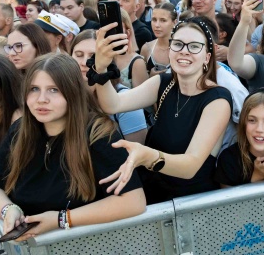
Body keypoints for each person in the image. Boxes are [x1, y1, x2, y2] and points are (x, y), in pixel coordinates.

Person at [0, 54, 146, 240]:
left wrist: (61, 219)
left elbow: (133, 200)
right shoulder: (21, 130)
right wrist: (8, 209)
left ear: (72, 92)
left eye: (53, 90)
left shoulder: (98, 133)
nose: (41, 99)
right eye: (34, 89)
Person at [94, 19, 232, 204]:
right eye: (178, 44)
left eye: (194, 46)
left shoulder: (218, 99)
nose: (184, 50)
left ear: (207, 57)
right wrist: (101, 67)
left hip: (190, 205)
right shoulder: (163, 83)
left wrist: (146, 156)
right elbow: (112, 104)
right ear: (170, 51)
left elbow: (190, 165)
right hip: (153, 196)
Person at [70, 30, 148, 143]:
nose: (84, 62)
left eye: (93, 56)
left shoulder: (125, 101)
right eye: (78, 55)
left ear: (109, 59)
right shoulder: (64, 95)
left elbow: (139, 153)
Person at [215, 89, 264, 187]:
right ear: (244, 124)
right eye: (252, 120)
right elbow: (230, 201)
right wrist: (258, 176)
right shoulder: (228, 160)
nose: (259, 129)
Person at [140, 3, 176, 76]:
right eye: (154, 19)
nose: (157, 25)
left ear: (174, 23)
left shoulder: (182, 49)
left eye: (163, 20)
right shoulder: (146, 48)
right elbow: (140, 82)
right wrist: (150, 77)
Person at [116, 11, 148, 89]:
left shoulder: (136, 62)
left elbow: (142, 99)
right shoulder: (98, 56)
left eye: (117, 28)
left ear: (127, 32)